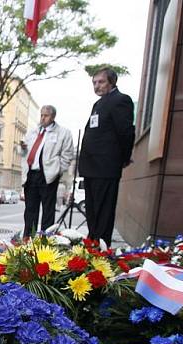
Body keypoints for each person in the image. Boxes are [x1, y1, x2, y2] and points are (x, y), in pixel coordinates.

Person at [78, 67, 135, 247]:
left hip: (106, 166)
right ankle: (93, 243)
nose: (96, 86)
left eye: (101, 82)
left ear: (112, 82)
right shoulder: (99, 104)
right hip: (91, 167)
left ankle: (102, 248)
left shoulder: (121, 100)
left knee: (104, 211)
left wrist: (124, 158)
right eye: (94, 83)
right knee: (93, 211)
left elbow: (125, 133)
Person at [19, 105, 75, 238]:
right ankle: (28, 238)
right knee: (30, 210)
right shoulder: (33, 132)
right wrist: (22, 148)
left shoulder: (63, 133)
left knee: (48, 210)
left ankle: (45, 239)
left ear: (53, 117)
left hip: (48, 176)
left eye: (46, 116)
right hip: (31, 174)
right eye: (41, 115)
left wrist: (58, 171)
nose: (42, 118)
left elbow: (67, 154)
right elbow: (23, 152)